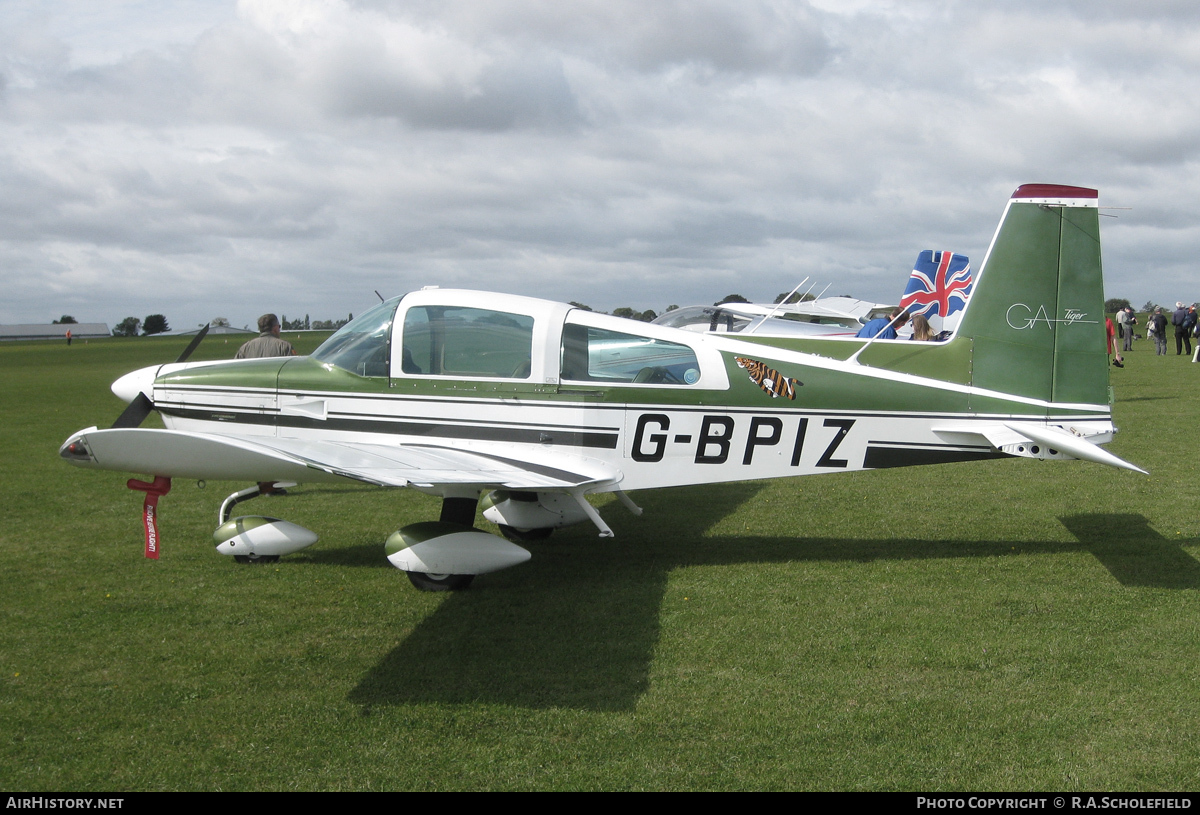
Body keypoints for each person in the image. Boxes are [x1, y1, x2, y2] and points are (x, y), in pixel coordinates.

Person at [235, 314, 296, 496]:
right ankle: (270, 485)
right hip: (276, 403)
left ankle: (263, 482)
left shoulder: (245, 348)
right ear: (275, 328)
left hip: (251, 403)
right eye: (279, 326)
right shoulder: (284, 347)